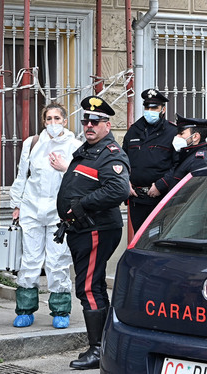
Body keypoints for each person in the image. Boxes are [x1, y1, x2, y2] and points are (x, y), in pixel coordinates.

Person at [56, 95, 130, 370]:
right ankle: (106, 345)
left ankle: (98, 349)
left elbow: (118, 190)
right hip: (81, 229)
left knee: (88, 287)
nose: (89, 125)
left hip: (97, 228)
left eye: (96, 121)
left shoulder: (110, 154)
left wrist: (80, 205)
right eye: (86, 120)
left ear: (107, 125)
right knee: (94, 285)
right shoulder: (86, 151)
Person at [9, 103, 82, 329]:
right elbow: (22, 176)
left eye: (57, 118)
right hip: (32, 207)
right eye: (48, 119)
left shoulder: (75, 146)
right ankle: (25, 309)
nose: (53, 123)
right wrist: (17, 205)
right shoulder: (32, 144)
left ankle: (61, 310)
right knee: (29, 260)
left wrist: (66, 167)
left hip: (59, 212)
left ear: (64, 120)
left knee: (57, 260)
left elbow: (81, 178)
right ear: (44, 121)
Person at [122, 88, 178, 233]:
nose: (150, 110)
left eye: (154, 107)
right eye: (147, 107)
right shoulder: (134, 131)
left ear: (163, 109)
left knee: (158, 239)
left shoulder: (172, 132)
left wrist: (161, 185)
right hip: (137, 198)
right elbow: (122, 161)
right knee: (140, 238)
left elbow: (178, 165)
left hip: (161, 199)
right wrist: (125, 182)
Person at [168, 114, 207, 188]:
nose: (177, 137)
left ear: (195, 137)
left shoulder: (200, 162)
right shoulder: (187, 156)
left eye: (181, 134)